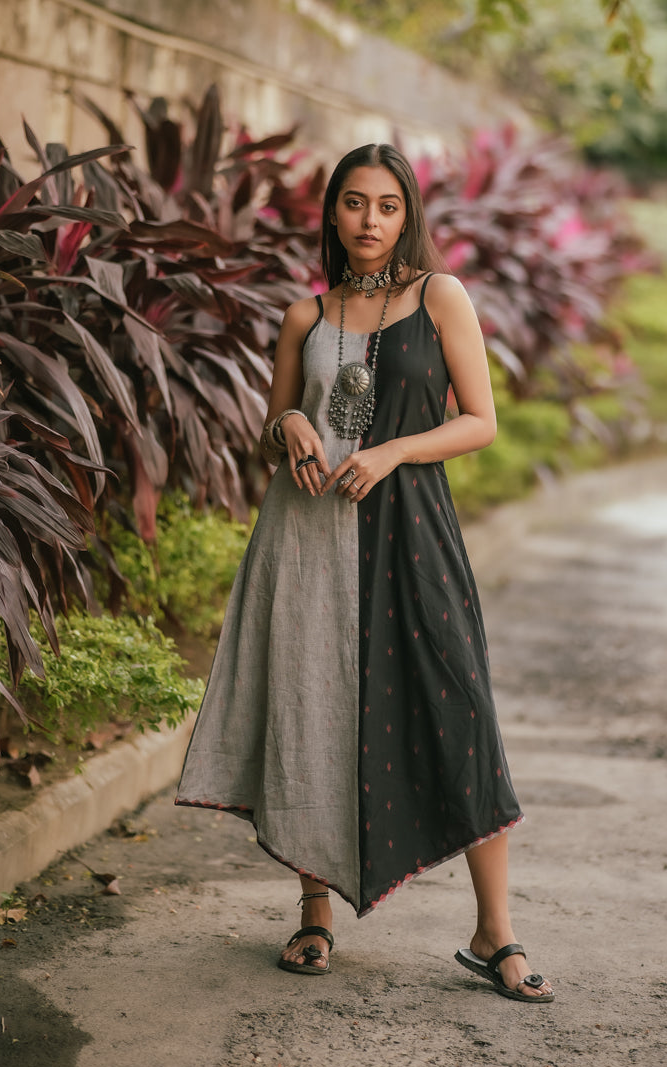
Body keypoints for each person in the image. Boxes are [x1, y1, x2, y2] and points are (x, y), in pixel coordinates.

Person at [176, 143, 553, 1003]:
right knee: (313, 706)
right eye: (354, 203)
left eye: (387, 206)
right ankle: (314, 913)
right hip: (309, 535)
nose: (370, 221)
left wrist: (389, 454)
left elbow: (480, 421)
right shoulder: (307, 317)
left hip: (414, 533)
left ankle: (494, 929)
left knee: (459, 710)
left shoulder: (439, 296)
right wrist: (292, 431)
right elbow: (274, 421)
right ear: (332, 213)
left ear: (407, 213)